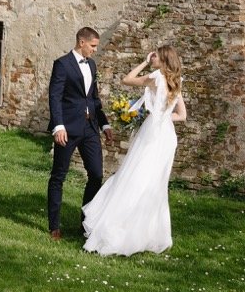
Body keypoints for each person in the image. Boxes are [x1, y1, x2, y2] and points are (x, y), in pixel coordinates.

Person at [82, 44, 186, 256]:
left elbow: (127, 79)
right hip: (167, 135)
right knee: (154, 183)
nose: (152, 56)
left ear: (163, 59)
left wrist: (144, 62)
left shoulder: (156, 77)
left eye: (155, 55)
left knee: (135, 176)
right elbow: (182, 115)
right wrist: (163, 118)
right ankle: (147, 234)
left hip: (153, 135)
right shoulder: (177, 81)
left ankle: (119, 231)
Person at [47, 26, 113, 240]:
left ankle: (87, 223)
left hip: (90, 128)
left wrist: (105, 125)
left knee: (96, 174)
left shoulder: (92, 65)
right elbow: (55, 97)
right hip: (67, 129)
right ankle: (54, 225)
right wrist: (58, 126)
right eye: (93, 46)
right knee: (59, 175)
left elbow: (93, 98)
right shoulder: (62, 64)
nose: (95, 50)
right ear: (81, 42)